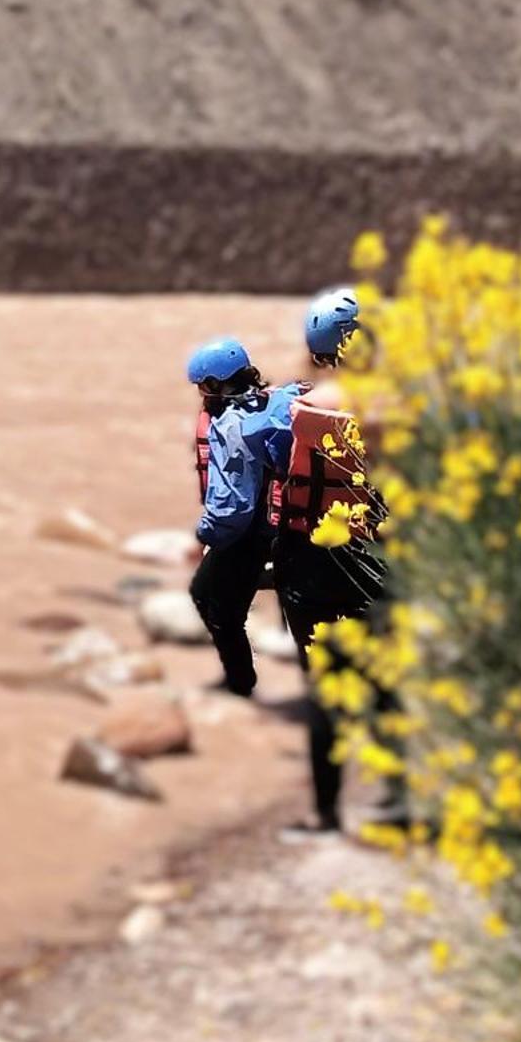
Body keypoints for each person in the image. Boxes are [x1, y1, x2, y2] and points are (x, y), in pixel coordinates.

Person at [271, 290, 398, 835]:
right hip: (377, 558)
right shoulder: (395, 410)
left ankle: (325, 813)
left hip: (312, 562)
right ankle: (400, 800)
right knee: (385, 681)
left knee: (323, 690)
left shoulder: (292, 409)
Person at [187, 339, 296, 699]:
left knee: (213, 603)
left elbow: (232, 507)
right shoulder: (272, 402)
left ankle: (240, 684)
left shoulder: (232, 425)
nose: (201, 393)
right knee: (210, 594)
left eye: (203, 385)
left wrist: (206, 535)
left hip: (245, 534)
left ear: (217, 384)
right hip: (277, 525)